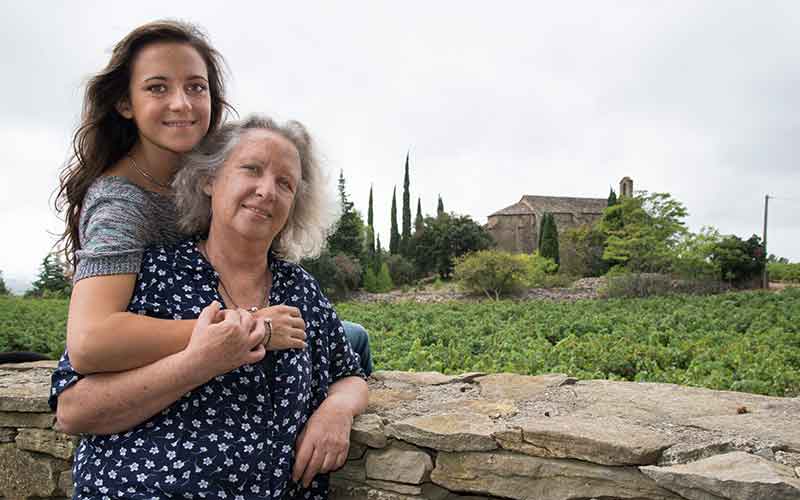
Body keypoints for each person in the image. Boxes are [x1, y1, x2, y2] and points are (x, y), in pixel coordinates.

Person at [51, 115, 369, 499]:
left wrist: (336, 412)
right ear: (209, 180)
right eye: (251, 169)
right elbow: (72, 411)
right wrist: (198, 363)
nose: (267, 190)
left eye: (285, 183)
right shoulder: (154, 273)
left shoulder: (299, 289)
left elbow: (349, 374)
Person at [54, 19, 372, 378]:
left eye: (196, 87)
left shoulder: (206, 168)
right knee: (350, 343)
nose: (182, 104)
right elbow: (88, 342)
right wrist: (249, 326)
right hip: (168, 349)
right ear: (126, 103)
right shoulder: (120, 204)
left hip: (211, 324)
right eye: (158, 88)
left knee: (346, 340)